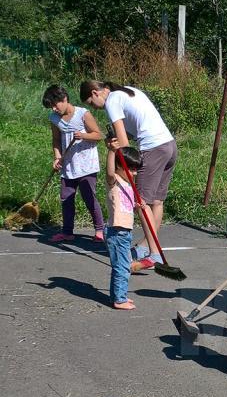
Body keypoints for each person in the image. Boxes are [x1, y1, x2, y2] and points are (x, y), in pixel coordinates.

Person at [79, 81, 178, 272]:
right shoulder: (128, 91)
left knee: (141, 203)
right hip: (169, 145)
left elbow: (124, 143)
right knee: (156, 202)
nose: (95, 108)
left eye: (91, 103)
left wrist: (113, 159)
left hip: (153, 149)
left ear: (95, 93)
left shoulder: (112, 101)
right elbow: (133, 131)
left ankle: (154, 253)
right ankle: (144, 247)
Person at [42, 85, 105, 243]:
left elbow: (98, 135)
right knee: (66, 199)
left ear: (64, 99)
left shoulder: (83, 114)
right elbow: (56, 140)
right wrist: (57, 158)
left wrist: (83, 135)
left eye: (55, 105)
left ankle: (100, 230)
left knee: (89, 197)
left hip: (86, 165)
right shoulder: (54, 118)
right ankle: (67, 232)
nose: (54, 109)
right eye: (51, 107)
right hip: (68, 165)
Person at [104, 145, 143, 311]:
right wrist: (112, 151)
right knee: (122, 266)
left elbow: (124, 205)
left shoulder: (128, 183)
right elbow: (109, 172)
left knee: (122, 265)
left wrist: (136, 205)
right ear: (120, 166)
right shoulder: (114, 181)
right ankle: (119, 300)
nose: (134, 173)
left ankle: (117, 295)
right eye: (131, 169)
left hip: (124, 231)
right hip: (117, 231)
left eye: (136, 170)